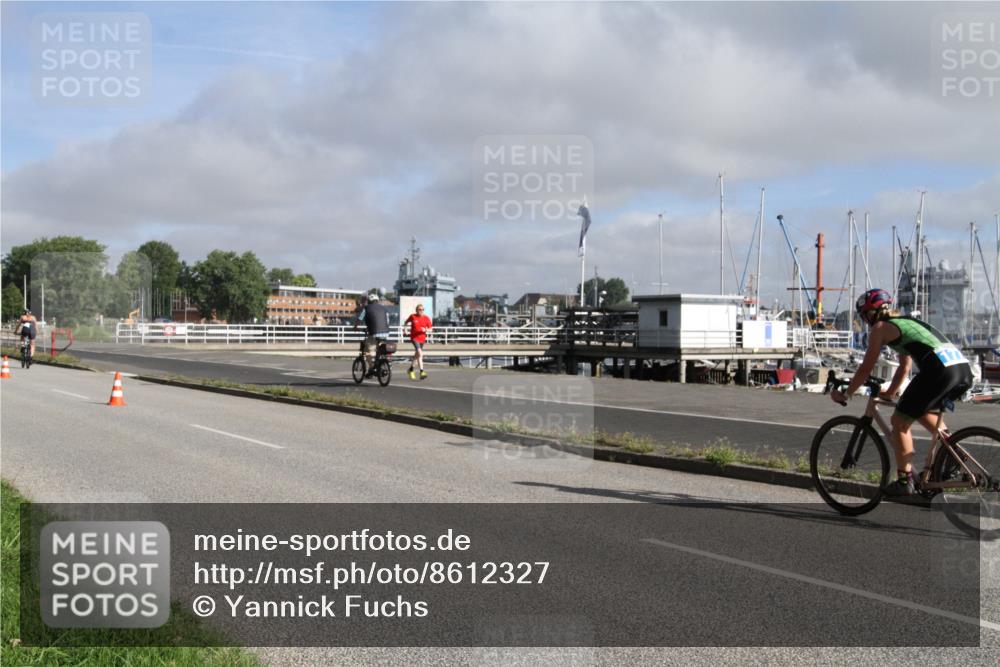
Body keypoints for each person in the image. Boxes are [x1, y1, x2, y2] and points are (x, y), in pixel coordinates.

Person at [830, 288, 973, 496]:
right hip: (962, 370)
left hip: (939, 371)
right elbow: (904, 368)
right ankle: (954, 452)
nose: (866, 320)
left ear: (871, 313)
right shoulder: (905, 324)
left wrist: (846, 394)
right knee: (921, 410)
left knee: (899, 422)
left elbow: (865, 369)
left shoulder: (880, 328)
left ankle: (904, 480)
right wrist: (890, 393)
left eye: (864, 315)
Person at [356, 293, 389, 372]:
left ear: (369, 301)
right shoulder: (384, 308)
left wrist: (355, 327)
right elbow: (386, 321)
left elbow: (359, 319)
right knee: (379, 349)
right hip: (386, 333)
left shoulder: (366, 308)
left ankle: (371, 367)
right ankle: (378, 364)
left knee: (367, 351)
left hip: (374, 333)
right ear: (377, 301)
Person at [404, 303, 433, 380]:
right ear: (416, 310)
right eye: (420, 309)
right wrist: (405, 329)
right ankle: (422, 372)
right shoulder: (412, 316)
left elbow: (430, 329)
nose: (421, 311)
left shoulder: (426, 318)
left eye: (423, 309)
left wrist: (426, 329)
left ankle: (411, 369)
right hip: (414, 338)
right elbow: (406, 322)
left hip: (422, 339)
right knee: (420, 353)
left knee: (417, 356)